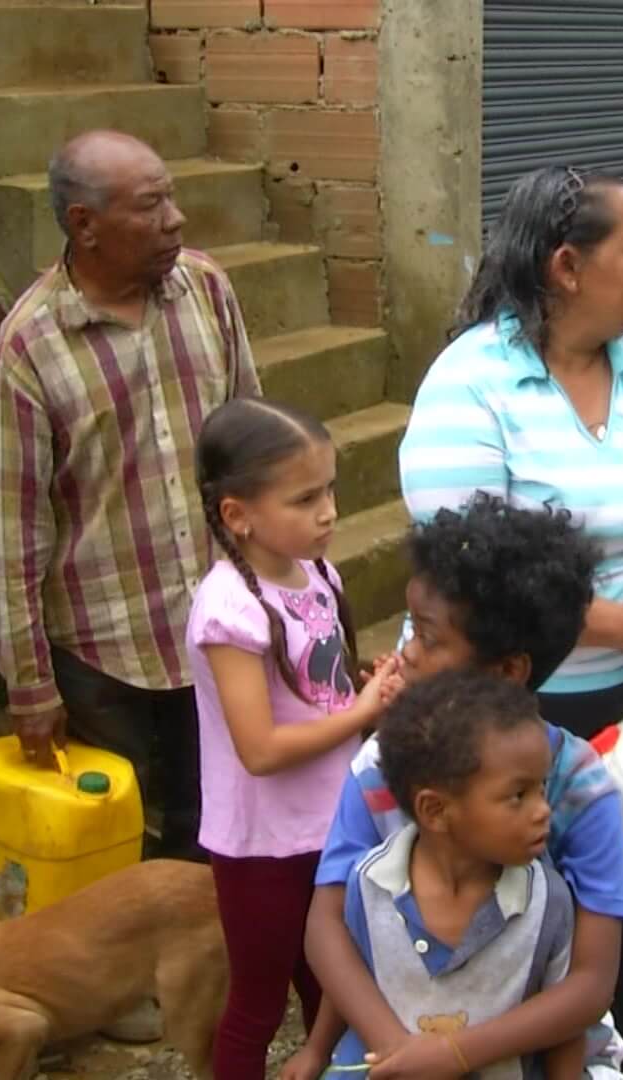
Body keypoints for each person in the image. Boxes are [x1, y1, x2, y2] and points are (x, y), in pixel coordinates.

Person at [398, 164, 623, 1078]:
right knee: (518, 897)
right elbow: (472, 579)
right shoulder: (472, 385)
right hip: (511, 703)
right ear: (569, 268)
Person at [0, 129, 261, 867]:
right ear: (84, 224)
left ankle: (204, 971)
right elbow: (15, 533)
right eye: (151, 205)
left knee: (215, 829)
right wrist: (30, 683)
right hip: (106, 654)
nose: (176, 220)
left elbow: (254, 448)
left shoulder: (206, 291)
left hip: (214, 628)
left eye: (172, 197)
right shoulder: (30, 347)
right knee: (118, 847)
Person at [307, 493, 623, 1078]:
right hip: (395, 1035)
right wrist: (400, 1052)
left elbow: (589, 984)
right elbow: (327, 925)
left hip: (536, 1045)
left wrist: (454, 1055)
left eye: (428, 637)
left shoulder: (582, 788)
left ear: (508, 671)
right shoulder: (381, 769)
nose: (405, 651)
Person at [187, 396, 402, 1080]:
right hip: (264, 843)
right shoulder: (230, 610)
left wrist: (363, 690)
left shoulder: (318, 574)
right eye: (305, 498)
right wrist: (361, 709)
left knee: (333, 988)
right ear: (238, 515)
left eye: (330, 490)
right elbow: (260, 750)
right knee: (257, 1004)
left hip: (332, 823)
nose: (329, 511)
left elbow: (319, 692)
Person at [327, 670, 598, 1080]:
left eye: (541, 788)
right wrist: (315, 1051)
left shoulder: (548, 901)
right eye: (518, 795)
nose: (543, 810)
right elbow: (352, 975)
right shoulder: (368, 885)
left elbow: (566, 1028)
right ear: (435, 811)